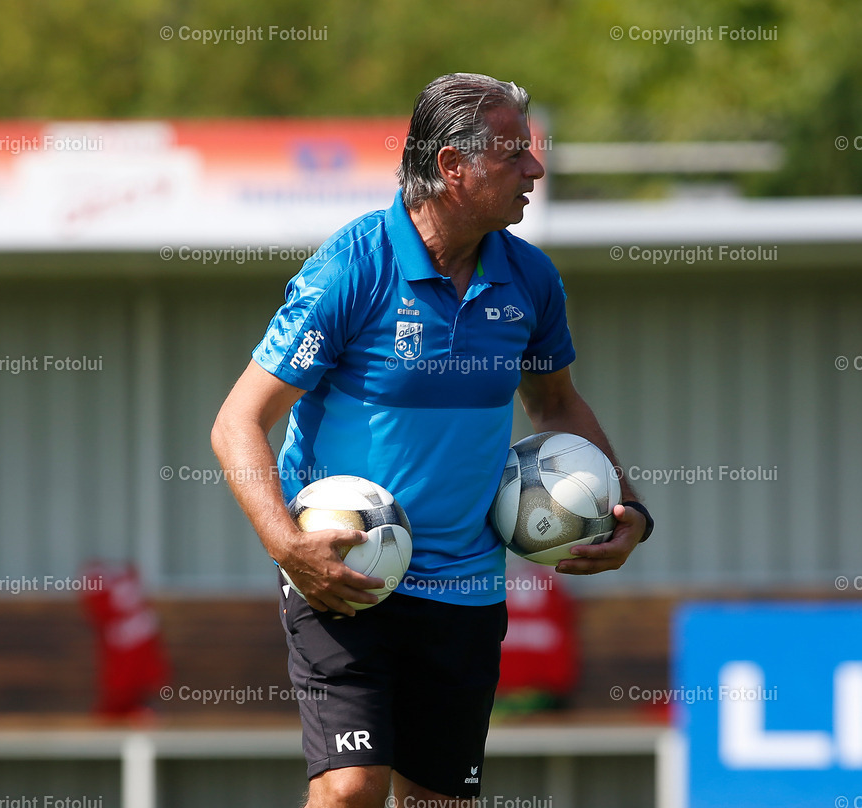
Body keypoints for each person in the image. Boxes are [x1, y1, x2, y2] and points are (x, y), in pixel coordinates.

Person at [211, 73, 654, 808]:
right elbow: (237, 421)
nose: (535, 171)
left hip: (467, 587)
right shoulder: (351, 268)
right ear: (453, 166)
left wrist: (631, 509)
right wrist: (288, 546)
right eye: (514, 155)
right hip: (347, 574)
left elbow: (556, 404)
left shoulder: (531, 281)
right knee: (351, 789)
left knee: (438, 803)